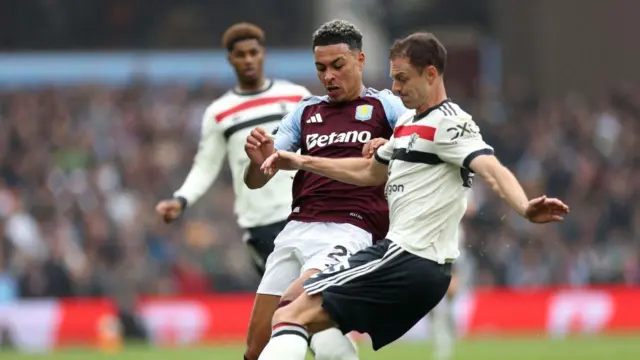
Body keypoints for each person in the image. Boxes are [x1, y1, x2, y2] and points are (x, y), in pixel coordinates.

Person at [256, 32, 570, 359]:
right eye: (393, 79)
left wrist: (523, 206)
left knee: (289, 313)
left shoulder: (449, 123)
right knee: (316, 323)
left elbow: (490, 166)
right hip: (410, 262)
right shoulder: (407, 124)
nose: (395, 88)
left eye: (403, 78)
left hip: (408, 258)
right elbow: (368, 172)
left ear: (431, 74)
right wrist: (301, 159)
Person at [242, 20, 408, 360]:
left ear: (360, 61)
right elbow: (259, 176)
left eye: (338, 66)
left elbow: (421, 141)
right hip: (297, 227)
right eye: (321, 68)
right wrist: (256, 161)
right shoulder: (305, 111)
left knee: (292, 309)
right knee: (256, 345)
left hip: (350, 229)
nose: (328, 76)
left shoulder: (386, 106)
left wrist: (391, 144)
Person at [155, 22, 311, 275]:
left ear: (263, 54)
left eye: (253, 52)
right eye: (241, 54)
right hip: (261, 223)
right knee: (282, 303)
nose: (248, 60)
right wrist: (181, 199)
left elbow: (318, 147)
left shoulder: (295, 96)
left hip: (304, 212)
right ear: (230, 59)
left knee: (317, 297)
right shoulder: (219, 112)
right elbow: (205, 166)